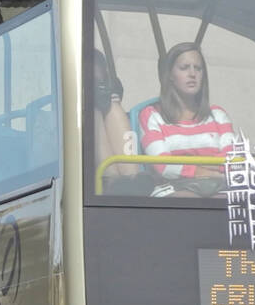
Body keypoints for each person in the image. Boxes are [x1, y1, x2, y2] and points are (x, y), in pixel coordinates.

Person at [138, 42, 237, 195]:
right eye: (184, 68)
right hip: (174, 189)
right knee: (189, 204)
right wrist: (207, 170)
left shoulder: (218, 115)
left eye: (198, 68)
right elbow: (163, 165)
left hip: (219, 187)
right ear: (170, 75)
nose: (192, 74)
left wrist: (186, 163)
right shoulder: (151, 115)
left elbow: (233, 160)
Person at [89, 49, 137, 188]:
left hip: (108, 127)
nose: (98, 90)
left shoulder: (112, 92)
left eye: (101, 84)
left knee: (114, 108)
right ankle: (110, 178)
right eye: (93, 83)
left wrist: (110, 98)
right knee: (93, 112)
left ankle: (132, 178)